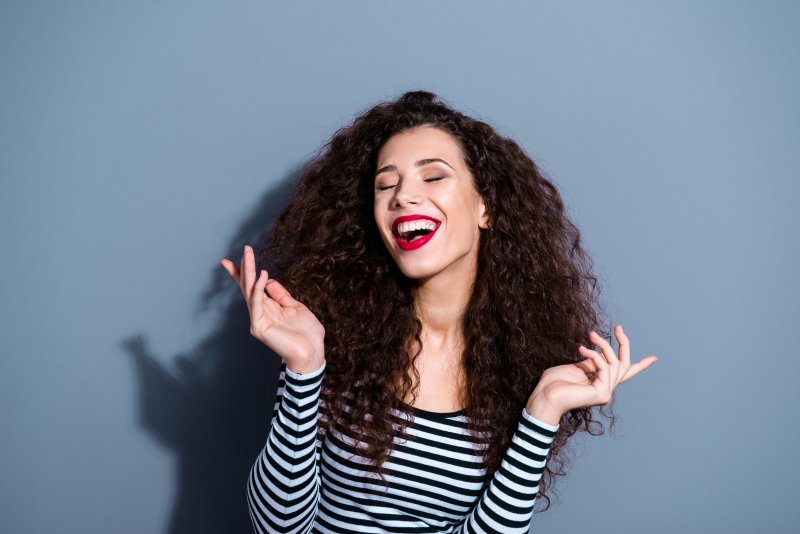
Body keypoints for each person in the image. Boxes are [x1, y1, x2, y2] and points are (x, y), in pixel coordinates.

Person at [220, 90, 658, 533]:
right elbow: (279, 527)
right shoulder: (336, 338)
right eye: (385, 184)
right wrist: (304, 368)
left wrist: (543, 410)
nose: (404, 196)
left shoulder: (519, 365)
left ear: (484, 207)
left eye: (432, 177)